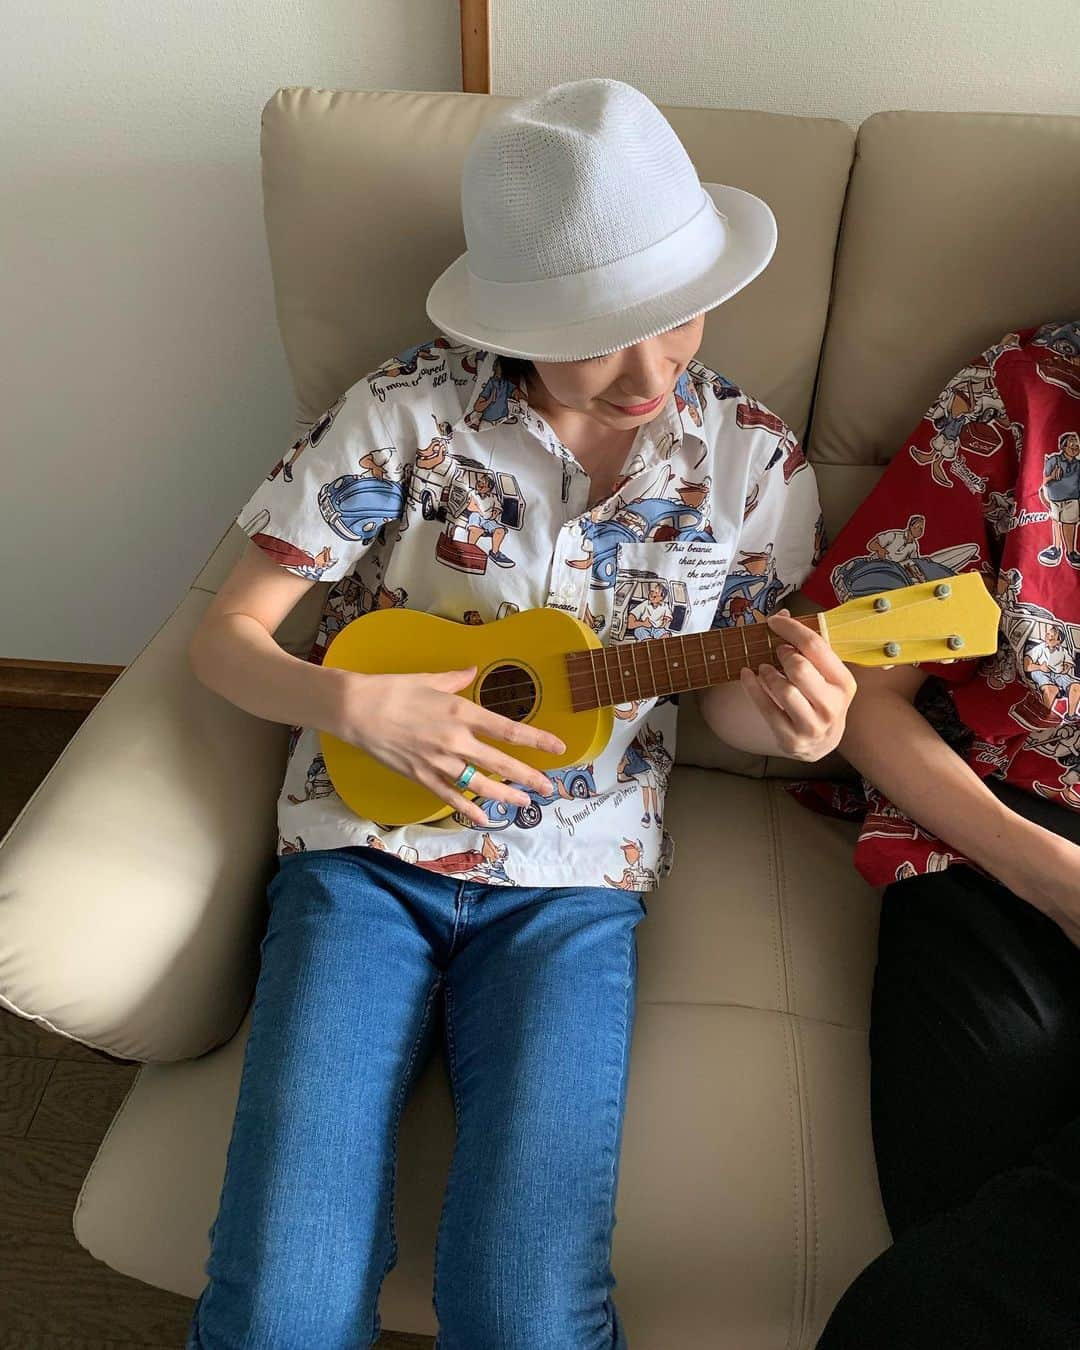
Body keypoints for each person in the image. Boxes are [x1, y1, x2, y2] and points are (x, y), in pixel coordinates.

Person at [184, 77, 856, 1350]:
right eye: (603, 334)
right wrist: (351, 702)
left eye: (678, 317)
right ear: (516, 316)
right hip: (360, 863)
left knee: (527, 1315)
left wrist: (803, 722)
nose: (651, 372)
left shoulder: (753, 460)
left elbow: (736, 710)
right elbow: (225, 641)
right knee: (278, 1301)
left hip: (576, 889)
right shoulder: (403, 416)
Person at [785, 321, 1080, 1349]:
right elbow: (860, 695)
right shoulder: (1024, 390)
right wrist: (1055, 880)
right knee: (959, 1220)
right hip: (993, 834)